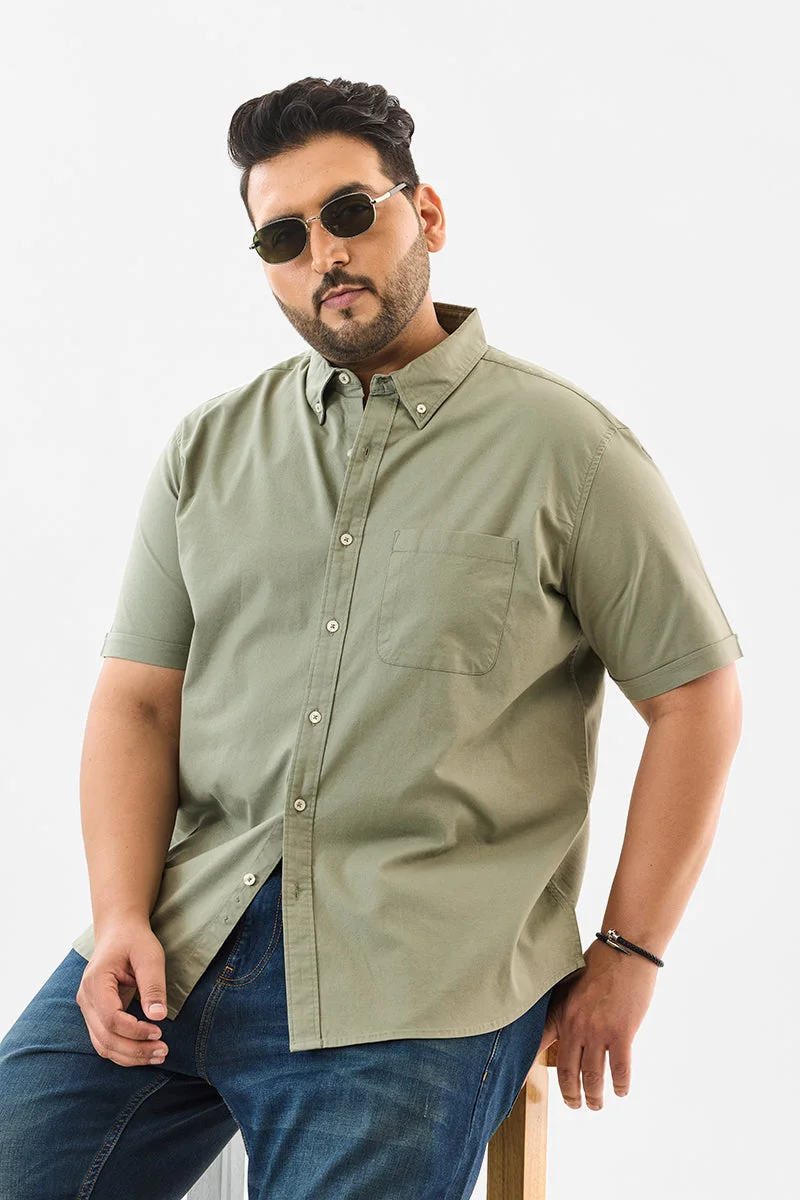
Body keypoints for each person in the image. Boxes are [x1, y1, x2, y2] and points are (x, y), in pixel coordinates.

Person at [0, 76, 744, 1199]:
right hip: (183, 939)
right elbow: (139, 699)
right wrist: (117, 918)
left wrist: (629, 954)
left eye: (350, 212)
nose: (325, 254)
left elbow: (695, 696)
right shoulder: (209, 449)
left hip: (417, 985)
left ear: (425, 213)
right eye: (284, 236)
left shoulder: (570, 451)